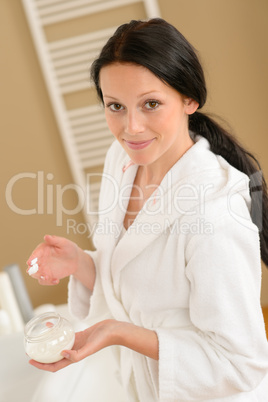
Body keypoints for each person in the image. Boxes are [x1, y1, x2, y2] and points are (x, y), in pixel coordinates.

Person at [27, 18, 268, 401]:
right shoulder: (120, 162)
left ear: (190, 99)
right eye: (115, 106)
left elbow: (241, 363)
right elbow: (128, 279)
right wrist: (81, 264)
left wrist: (120, 333)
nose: (131, 127)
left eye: (151, 104)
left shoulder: (214, 212)